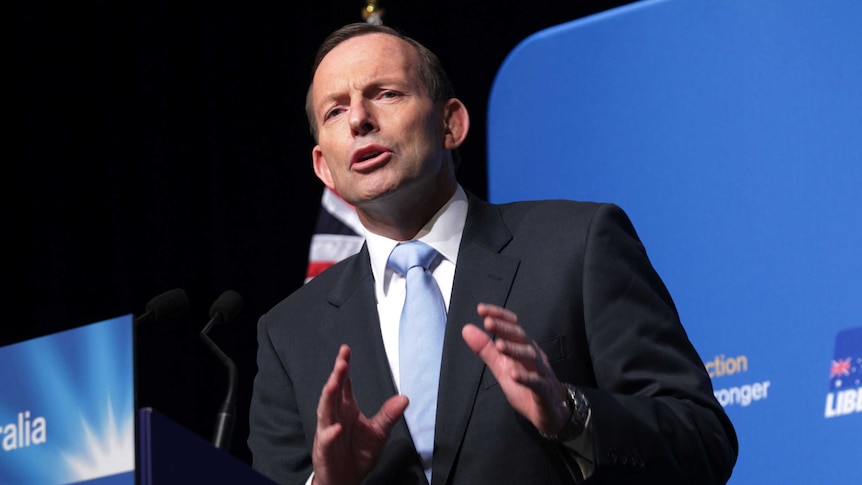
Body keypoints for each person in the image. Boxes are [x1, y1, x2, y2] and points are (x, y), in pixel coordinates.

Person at [248, 22, 737, 485]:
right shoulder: (289, 334)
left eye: (386, 93)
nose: (359, 119)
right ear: (324, 168)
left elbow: (702, 439)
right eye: (335, 110)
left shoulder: (577, 244)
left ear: (451, 124)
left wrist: (570, 413)